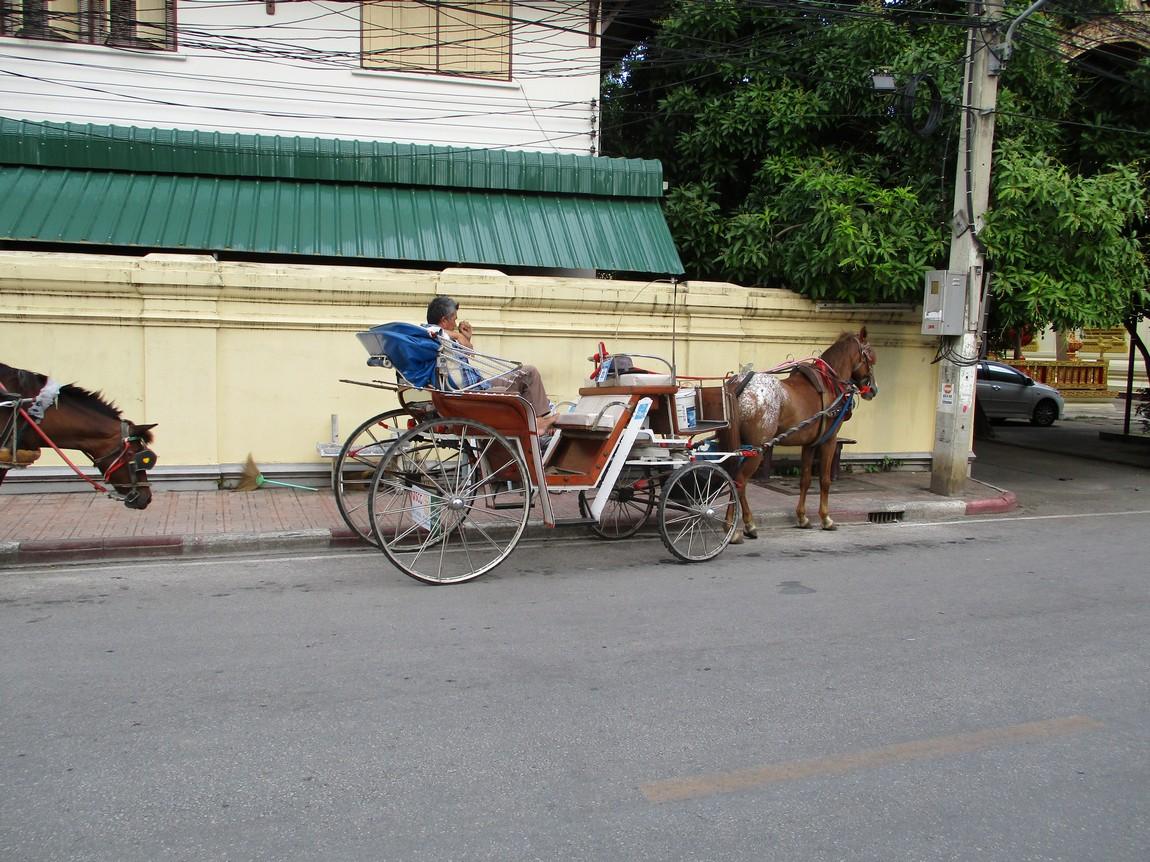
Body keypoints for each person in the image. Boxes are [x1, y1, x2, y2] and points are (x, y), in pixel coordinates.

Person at [426, 296, 558, 433]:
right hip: (469, 396)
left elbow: (466, 355)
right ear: (443, 320)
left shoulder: (445, 339)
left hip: (479, 385)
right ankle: (536, 425)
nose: (455, 323)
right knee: (509, 394)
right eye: (454, 319)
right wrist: (458, 336)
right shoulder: (433, 335)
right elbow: (429, 330)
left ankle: (540, 420)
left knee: (529, 372)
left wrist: (465, 338)